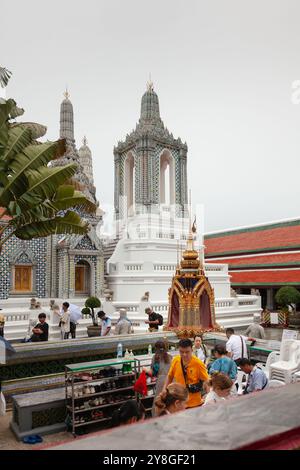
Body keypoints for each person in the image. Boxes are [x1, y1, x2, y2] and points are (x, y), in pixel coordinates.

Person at [163, 338, 209, 408]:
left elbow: (206, 381)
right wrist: (164, 390)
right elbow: (169, 376)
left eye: (187, 352)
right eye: (181, 352)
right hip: (179, 403)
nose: (184, 354)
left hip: (194, 404)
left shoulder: (198, 364)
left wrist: (209, 397)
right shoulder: (176, 360)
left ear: (192, 350)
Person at [150, 341, 172, 416]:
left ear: (156, 348)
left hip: (161, 381)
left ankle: (157, 417)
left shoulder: (155, 357)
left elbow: (153, 373)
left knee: (158, 401)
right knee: (168, 400)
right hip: (170, 380)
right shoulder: (170, 356)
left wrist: (144, 370)